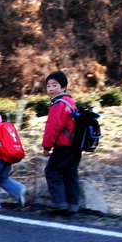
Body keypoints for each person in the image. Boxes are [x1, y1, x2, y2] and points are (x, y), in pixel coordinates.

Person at [42, 70, 81, 214]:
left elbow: (52, 127)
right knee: (70, 173)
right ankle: (73, 205)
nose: (50, 89)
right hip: (76, 146)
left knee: (51, 170)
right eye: (48, 86)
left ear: (63, 87)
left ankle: (59, 203)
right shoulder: (70, 102)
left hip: (64, 146)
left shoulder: (59, 104)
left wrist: (47, 147)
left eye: (54, 85)